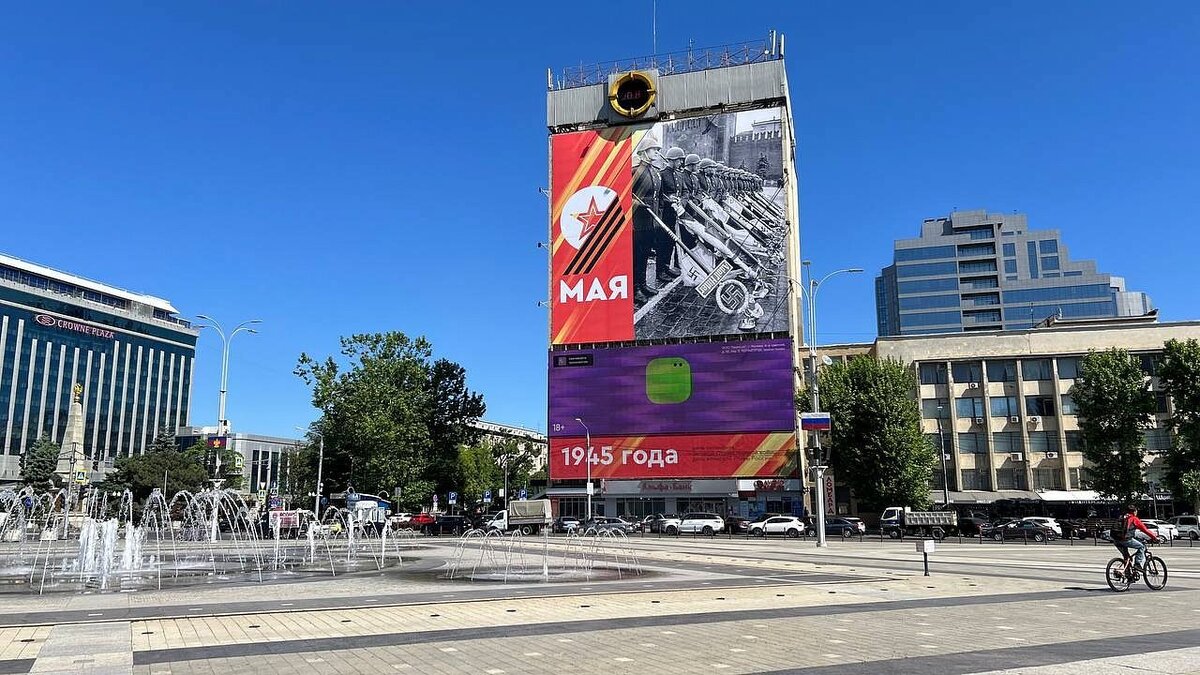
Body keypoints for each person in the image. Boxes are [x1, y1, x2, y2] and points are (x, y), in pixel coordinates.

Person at [1111, 504, 1161, 578]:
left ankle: (1127, 575)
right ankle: (1137, 564)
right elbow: (1145, 530)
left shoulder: (1121, 517)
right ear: (1134, 511)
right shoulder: (1134, 519)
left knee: (1127, 557)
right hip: (1126, 540)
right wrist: (1155, 538)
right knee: (1142, 547)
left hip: (1116, 539)